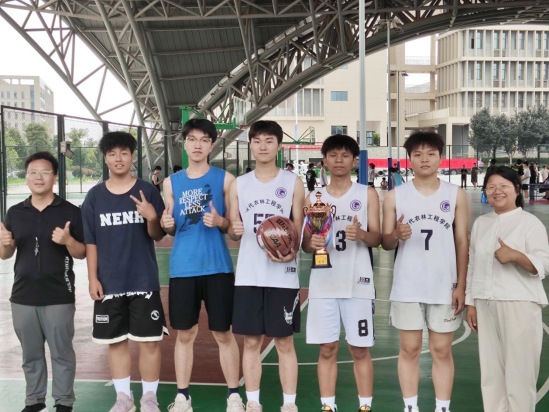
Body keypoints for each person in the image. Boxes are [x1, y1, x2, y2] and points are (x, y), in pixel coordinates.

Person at [160, 119, 244, 412]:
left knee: (223, 334)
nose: (198, 145)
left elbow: (235, 230)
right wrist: (166, 224)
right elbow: (171, 228)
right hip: (183, 268)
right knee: (185, 335)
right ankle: (183, 397)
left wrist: (221, 221)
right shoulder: (170, 183)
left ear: (212, 145)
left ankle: (234, 396)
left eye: (204, 140)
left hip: (218, 267)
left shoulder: (227, 180)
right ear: (184, 143)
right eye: (192, 139)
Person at [382, 132, 468, 412]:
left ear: (440, 157)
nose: (424, 159)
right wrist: (396, 234)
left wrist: (461, 285)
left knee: (442, 350)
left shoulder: (455, 194)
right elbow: (386, 243)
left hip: (444, 285)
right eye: (417, 154)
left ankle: (443, 407)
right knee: (409, 350)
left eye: (430, 153)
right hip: (407, 286)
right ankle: (410, 407)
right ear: (410, 159)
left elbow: (462, 241)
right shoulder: (395, 196)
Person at [82, 132, 168, 412]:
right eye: (112, 154)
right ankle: (123, 398)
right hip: (109, 282)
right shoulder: (95, 196)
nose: (118, 158)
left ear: (132, 157)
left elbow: (157, 235)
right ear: (105, 158)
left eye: (124, 153)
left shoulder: (147, 191)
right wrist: (92, 278)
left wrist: (152, 217)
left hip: (143, 279)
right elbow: (91, 242)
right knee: (116, 342)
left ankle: (149, 398)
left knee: (149, 343)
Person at [228, 120, 305, 412]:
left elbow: (298, 228)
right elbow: (233, 231)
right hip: (249, 275)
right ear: (250, 144)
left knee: (284, 343)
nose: (263, 146)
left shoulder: (292, 182)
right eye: (257, 140)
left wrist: (291, 251)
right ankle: (253, 402)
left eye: (269, 141)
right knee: (251, 343)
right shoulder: (239, 184)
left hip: (283, 276)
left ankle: (289, 405)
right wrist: (233, 229)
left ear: (279, 146)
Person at [0, 152, 86, 412]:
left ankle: (63, 402)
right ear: (26, 177)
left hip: (59, 295)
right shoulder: (15, 212)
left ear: (54, 177)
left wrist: (68, 241)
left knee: (62, 353)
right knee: (31, 355)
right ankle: (34, 401)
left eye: (45, 172)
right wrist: (4, 244)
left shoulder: (70, 212)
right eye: (33, 172)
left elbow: (82, 252)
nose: (39, 177)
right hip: (23, 296)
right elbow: (6, 254)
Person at [302, 134, 381, 412]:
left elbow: (378, 238)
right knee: (327, 349)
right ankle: (327, 406)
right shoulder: (313, 198)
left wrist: (362, 234)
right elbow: (305, 244)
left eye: (345, 155)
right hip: (323, 283)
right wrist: (312, 242)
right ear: (324, 160)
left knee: (359, 349)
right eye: (333, 155)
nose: (339, 160)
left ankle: (365, 406)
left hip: (358, 283)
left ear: (354, 160)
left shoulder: (366, 194)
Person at [466, 166, 549, 412]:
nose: (497, 191)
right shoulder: (481, 223)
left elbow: (544, 264)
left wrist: (515, 256)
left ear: (517, 190)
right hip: (485, 303)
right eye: (491, 187)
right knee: (491, 374)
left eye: (504, 186)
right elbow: (472, 264)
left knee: (520, 373)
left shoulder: (529, 223)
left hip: (519, 303)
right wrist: (471, 303)